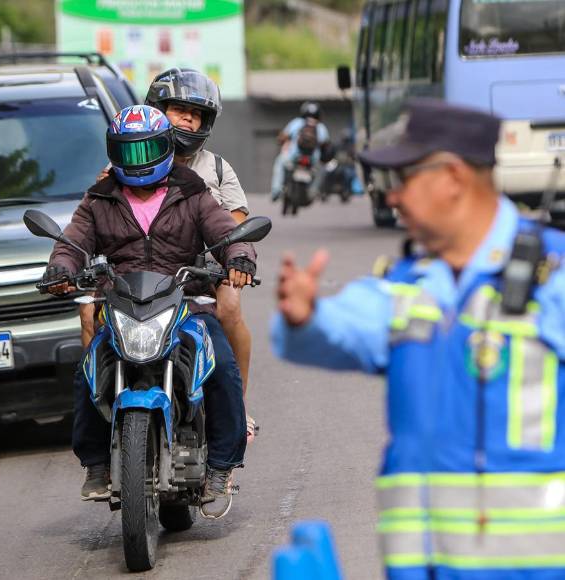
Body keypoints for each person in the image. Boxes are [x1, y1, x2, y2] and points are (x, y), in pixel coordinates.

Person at [271, 98, 565, 579]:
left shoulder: (554, 276)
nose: (392, 197)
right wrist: (305, 315)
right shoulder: (410, 283)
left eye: (404, 178)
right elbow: (335, 329)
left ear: (451, 178)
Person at [43, 105, 257, 519]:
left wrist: (240, 257)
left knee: (222, 365)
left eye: (147, 151)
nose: (138, 162)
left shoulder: (193, 192)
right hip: (121, 303)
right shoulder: (99, 198)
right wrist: (60, 269)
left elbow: (226, 232)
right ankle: (97, 464)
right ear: (114, 153)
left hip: (187, 302)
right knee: (90, 366)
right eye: (129, 152)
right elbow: (72, 242)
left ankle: (221, 466)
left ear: (165, 148)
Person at [88, 68, 259, 442]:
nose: (188, 119)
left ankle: (236, 406)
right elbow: (94, 220)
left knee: (228, 309)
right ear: (155, 110)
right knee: (89, 311)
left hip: (206, 266)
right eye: (179, 109)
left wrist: (225, 249)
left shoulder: (214, 168)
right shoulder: (121, 167)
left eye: (196, 114)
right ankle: (101, 403)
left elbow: (236, 222)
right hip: (137, 274)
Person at [271, 101, 330, 202]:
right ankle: (313, 191)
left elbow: (283, 137)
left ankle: (276, 190)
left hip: (294, 157)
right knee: (321, 170)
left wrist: (280, 140)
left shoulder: (296, 122)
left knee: (280, 162)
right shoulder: (321, 127)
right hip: (313, 160)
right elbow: (326, 144)